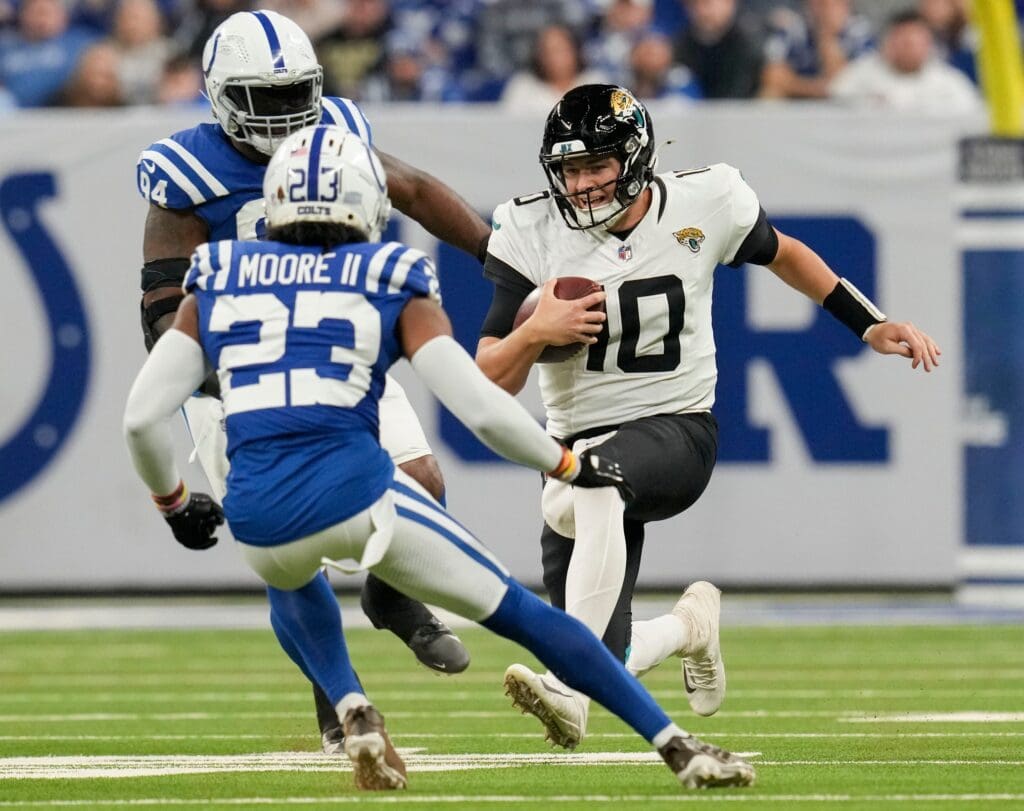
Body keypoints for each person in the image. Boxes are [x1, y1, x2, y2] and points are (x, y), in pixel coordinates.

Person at [121, 124, 757, 792]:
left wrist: (172, 499)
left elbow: (141, 417)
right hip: (357, 493)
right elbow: (478, 406)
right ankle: (676, 743)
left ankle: (350, 705)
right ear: (366, 204)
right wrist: (566, 463)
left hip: (254, 511)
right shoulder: (386, 274)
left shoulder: (220, 276)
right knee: (521, 612)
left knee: (290, 571)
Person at [476, 83, 941, 748]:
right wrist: (533, 332)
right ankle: (688, 628)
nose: (579, 185)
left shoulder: (705, 201)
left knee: (594, 488)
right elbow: (486, 372)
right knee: (603, 648)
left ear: (635, 159)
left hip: (678, 430)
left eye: (595, 166)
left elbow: (787, 254)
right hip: (571, 446)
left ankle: (567, 691)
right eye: (569, 169)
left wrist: (868, 323)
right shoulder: (529, 228)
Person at [134, 9, 489, 755]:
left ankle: (392, 595)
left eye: (297, 91)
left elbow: (416, 191)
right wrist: (229, 377)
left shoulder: (339, 128)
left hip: (339, 343)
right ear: (221, 95)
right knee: (286, 547)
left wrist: (493, 251)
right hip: (243, 376)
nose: (287, 113)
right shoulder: (186, 171)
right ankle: (336, 694)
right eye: (265, 98)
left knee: (422, 478)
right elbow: (163, 308)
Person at [829, 10, 981, 114]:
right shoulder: (860, 75)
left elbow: (969, 117)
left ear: (929, 45)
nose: (906, 49)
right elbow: (834, 106)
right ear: (885, 43)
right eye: (900, 41)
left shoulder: (949, 82)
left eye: (912, 43)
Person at [760, 0, 874, 99]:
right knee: (771, 93)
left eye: (830, 4)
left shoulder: (859, 32)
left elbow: (844, 85)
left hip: (843, 105)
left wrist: (828, 38)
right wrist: (818, 89)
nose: (823, 11)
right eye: (819, 3)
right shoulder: (793, 29)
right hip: (798, 99)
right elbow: (772, 77)